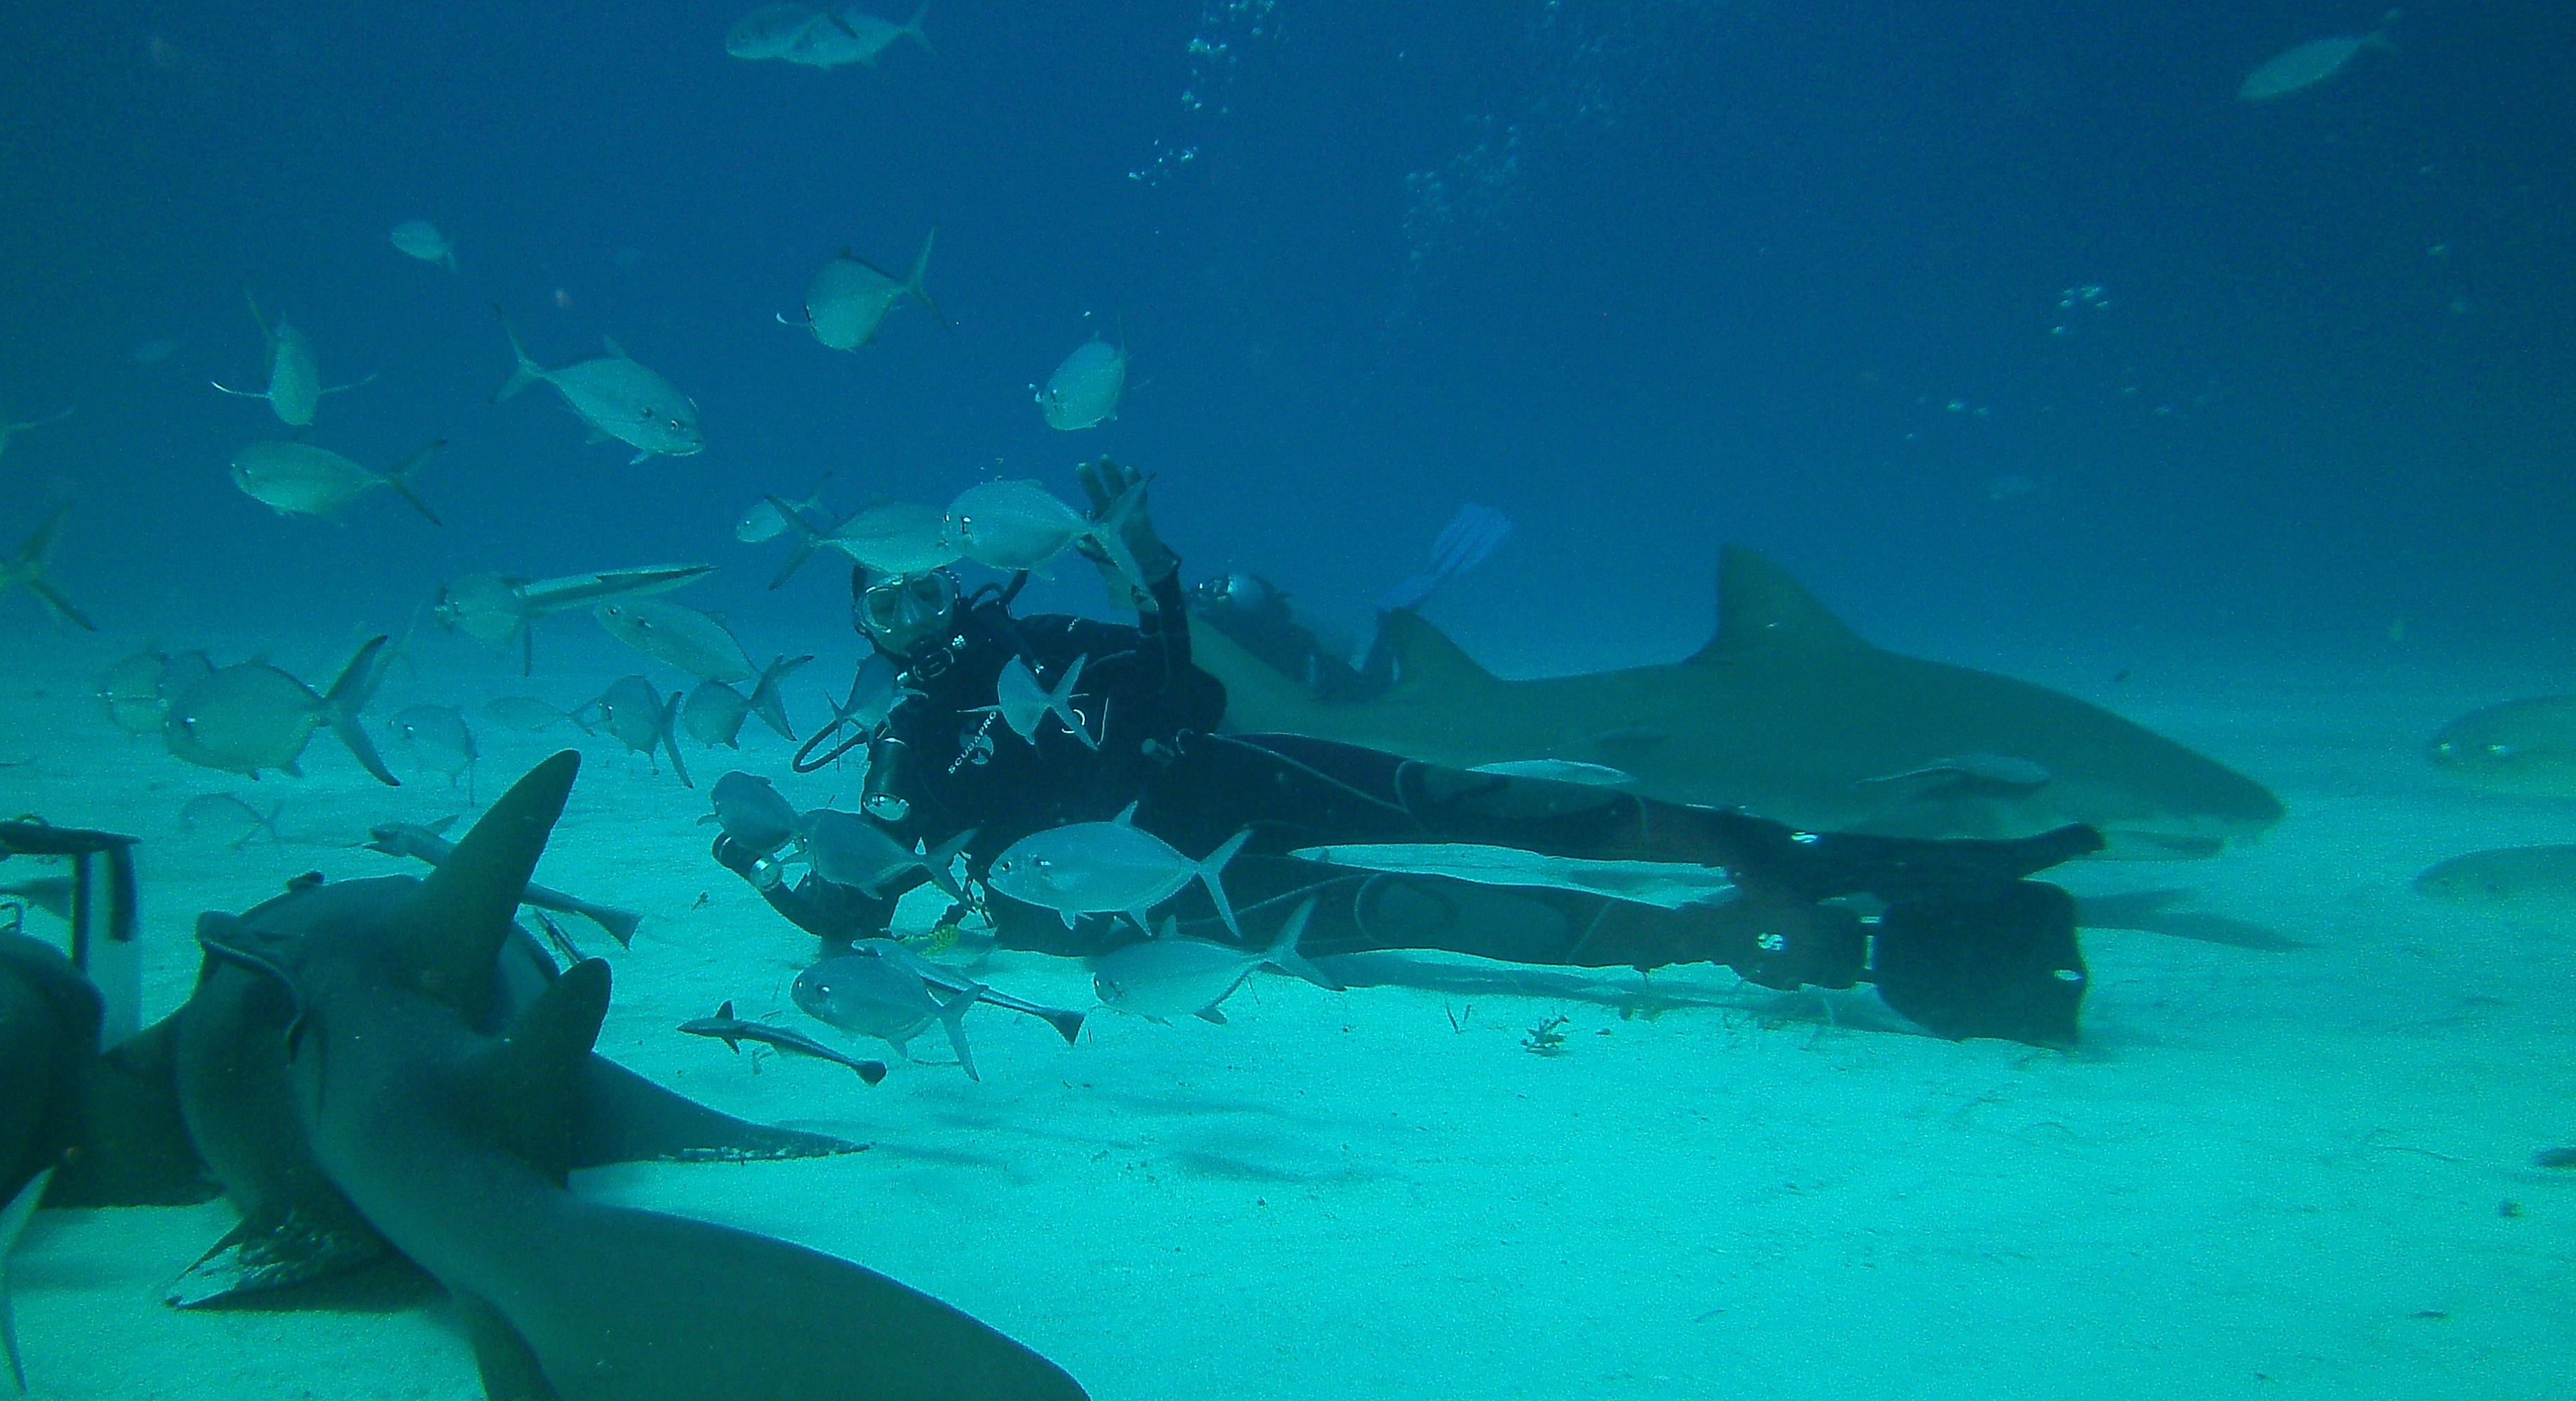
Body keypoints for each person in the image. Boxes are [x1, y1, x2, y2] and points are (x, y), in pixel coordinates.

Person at [715, 462, 2099, 1044]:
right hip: (1162, 893)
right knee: (1446, 913)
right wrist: (777, 868)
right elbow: (872, 888)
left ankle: (1826, 856)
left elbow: (1178, 680)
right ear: (862, 622)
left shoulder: (1053, 639)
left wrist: (1142, 562)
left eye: (917, 585)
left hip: (1224, 788)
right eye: (877, 600)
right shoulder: (904, 749)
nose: (908, 612)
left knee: (1493, 800)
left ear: (953, 583)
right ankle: (1766, 948)